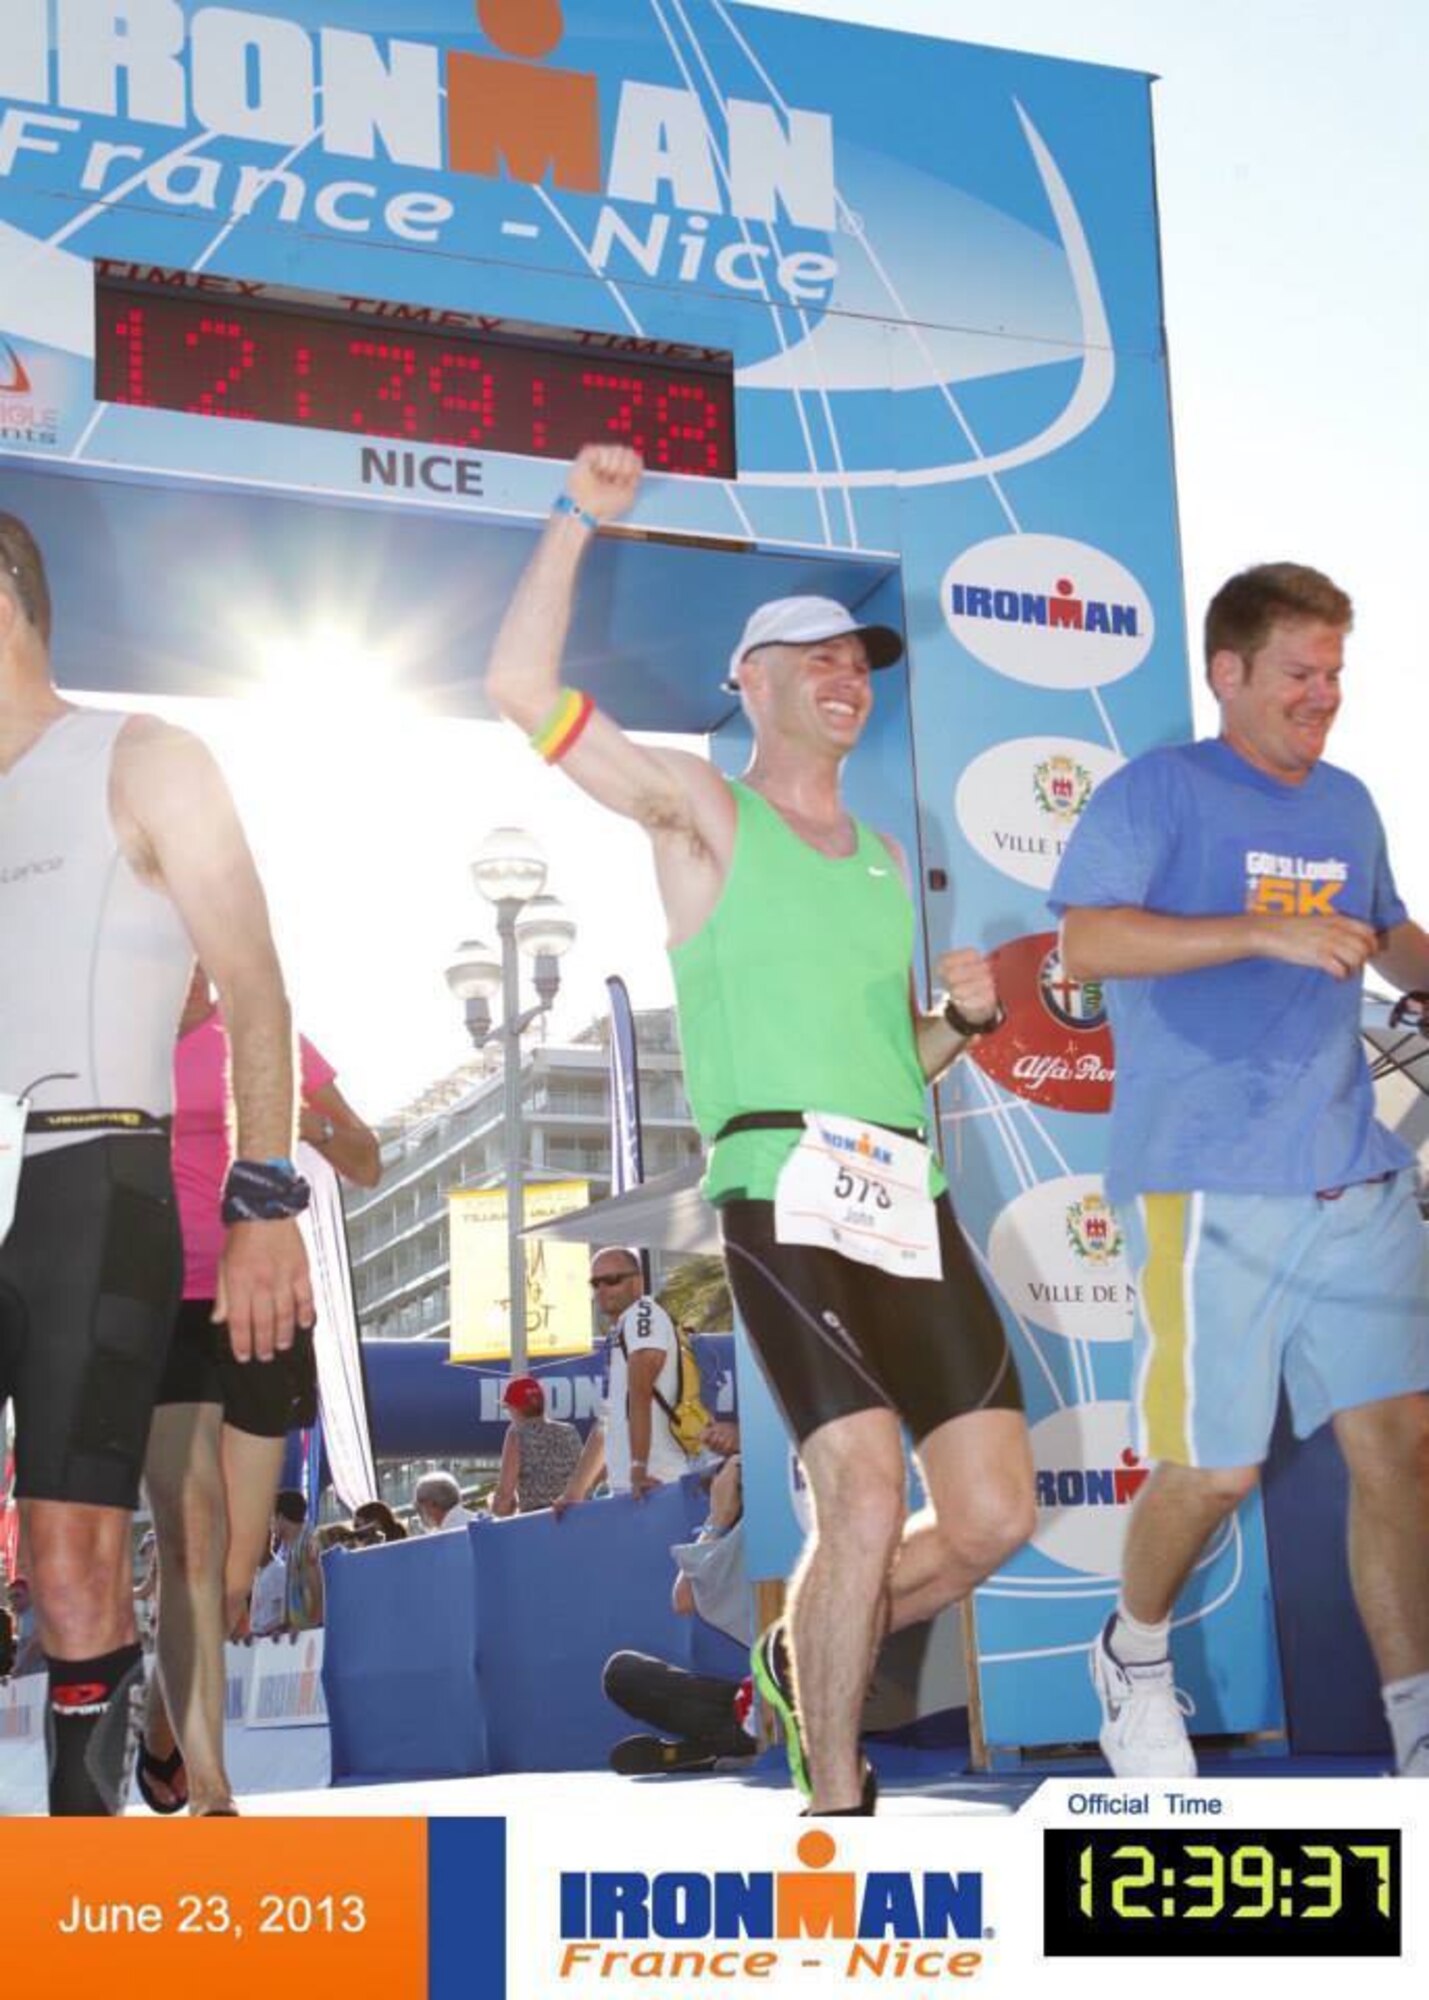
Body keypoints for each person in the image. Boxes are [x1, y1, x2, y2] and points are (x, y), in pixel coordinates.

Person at [486, 445, 1032, 1815]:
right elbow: (519, 694)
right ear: (752, 681)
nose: (849, 678)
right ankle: (833, 1799)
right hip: (779, 1187)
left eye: (860, 663)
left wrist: (957, 1023)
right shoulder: (699, 805)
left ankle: (783, 1674)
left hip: (903, 1193)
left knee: (990, 1519)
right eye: (817, 658)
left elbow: (889, 1060)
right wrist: (572, 521)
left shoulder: (885, 860)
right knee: (854, 1489)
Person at [1050, 560, 1429, 1780]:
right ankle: (1134, 1651)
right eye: (1299, 674)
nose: (1323, 697)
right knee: (1214, 1469)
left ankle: (1416, 1721)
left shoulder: (1350, 800)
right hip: (1208, 1180)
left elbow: (1384, 924)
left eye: (1335, 674)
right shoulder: (1158, 790)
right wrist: (1262, 928)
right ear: (1228, 673)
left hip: (1353, 1174)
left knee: (1402, 1445)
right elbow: (1087, 938)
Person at [0, 511, 311, 1815]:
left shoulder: (145, 757)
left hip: (91, 1189)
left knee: (73, 1563)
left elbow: (255, 995)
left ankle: (75, 1905)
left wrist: (262, 1204)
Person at [137, 965, 379, 1813]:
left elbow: (367, 1157)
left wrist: (294, 1121)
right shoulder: (109, 1041)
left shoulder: (259, 1039)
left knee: (235, 1569)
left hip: (262, 1303)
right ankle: (211, 1786)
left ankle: (164, 1731)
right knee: (189, 1540)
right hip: (151, 1302)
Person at [603, 1447, 757, 1775]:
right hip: (784, 1699)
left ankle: (734, 1740)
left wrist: (717, 1519)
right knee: (625, 1672)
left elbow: (683, 1597)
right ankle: (726, 1741)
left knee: (623, 1673)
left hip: (798, 1704)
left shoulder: (756, 1532)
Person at [557, 1250, 688, 1506]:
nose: (602, 1289)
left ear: (637, 1282)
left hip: (658, 1481)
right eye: (596, 1283)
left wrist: (638, 1468)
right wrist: (575, 1491)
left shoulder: (643, 1314)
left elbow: (641, 1393)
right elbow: (609, 1419)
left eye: (613, 1279)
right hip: (634, 1487)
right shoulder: (621, 1331)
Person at [490, 1375, 581, 1515]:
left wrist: (494, 1506)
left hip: (539, 1523)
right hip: (576, 1517)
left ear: (515, 1408)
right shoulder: (570, 1431)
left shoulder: (516, 1434)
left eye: (507, 1408)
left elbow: (504, 1496)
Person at [412, 1470, 480, 1534]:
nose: (420, 1515)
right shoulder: (478, 1520)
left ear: (431, 1504)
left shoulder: (446, 1535)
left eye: (419, 1507)